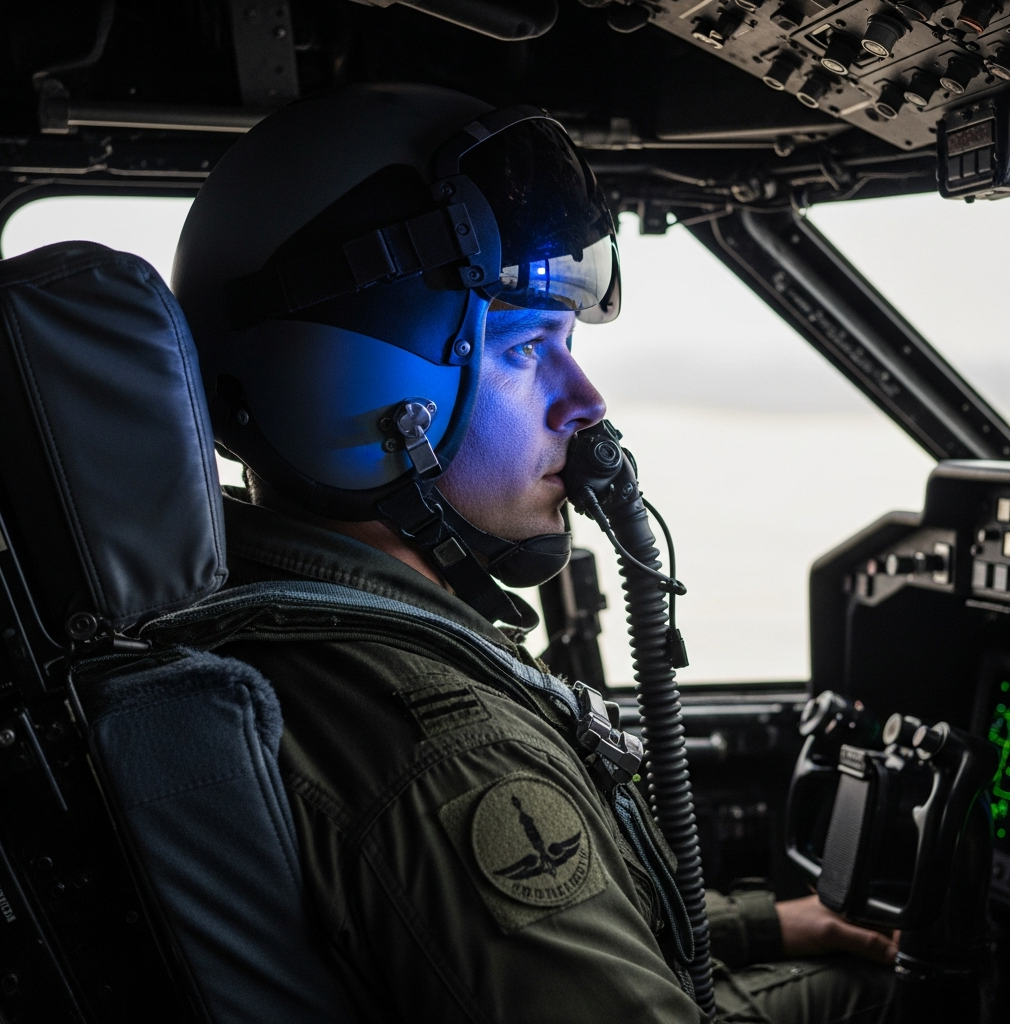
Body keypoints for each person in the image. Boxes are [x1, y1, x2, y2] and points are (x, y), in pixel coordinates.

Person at [172, 83, 898, 1023]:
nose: (585, 400)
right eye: (525, 348)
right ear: (367, 391)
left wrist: (761, 925)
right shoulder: (448, 752)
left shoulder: (264, 609)